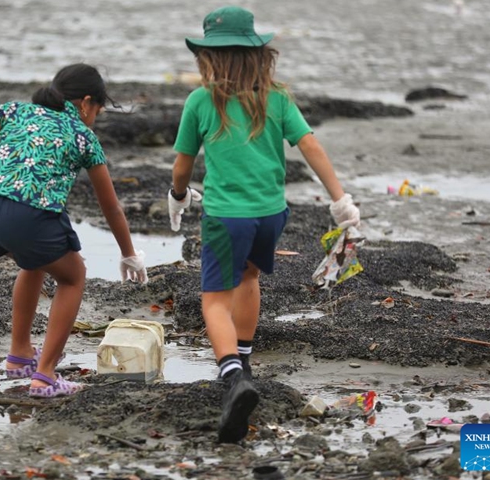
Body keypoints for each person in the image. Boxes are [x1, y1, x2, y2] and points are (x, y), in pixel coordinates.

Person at [169, 6, 361, 443]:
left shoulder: (201, 101)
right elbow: (309, 145)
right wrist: (340, 198)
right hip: (271, 214)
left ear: (209, 58)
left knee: (214, 300)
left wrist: (178, 196)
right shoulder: (277, 98)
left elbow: (183, 166)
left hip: (225, 216)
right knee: (250, 276)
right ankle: (246, 359)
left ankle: (233, 377)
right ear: (257, 54)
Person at [0, 63, 148, 398]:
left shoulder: (17, 109)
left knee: (33, 263)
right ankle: (45, 377)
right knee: (73, 276)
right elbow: (111, 207)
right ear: (87, 102)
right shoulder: (83, 136)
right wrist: (129, 254)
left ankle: (19, 356)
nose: (95, 117)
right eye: (98, 110)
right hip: (26, 213)